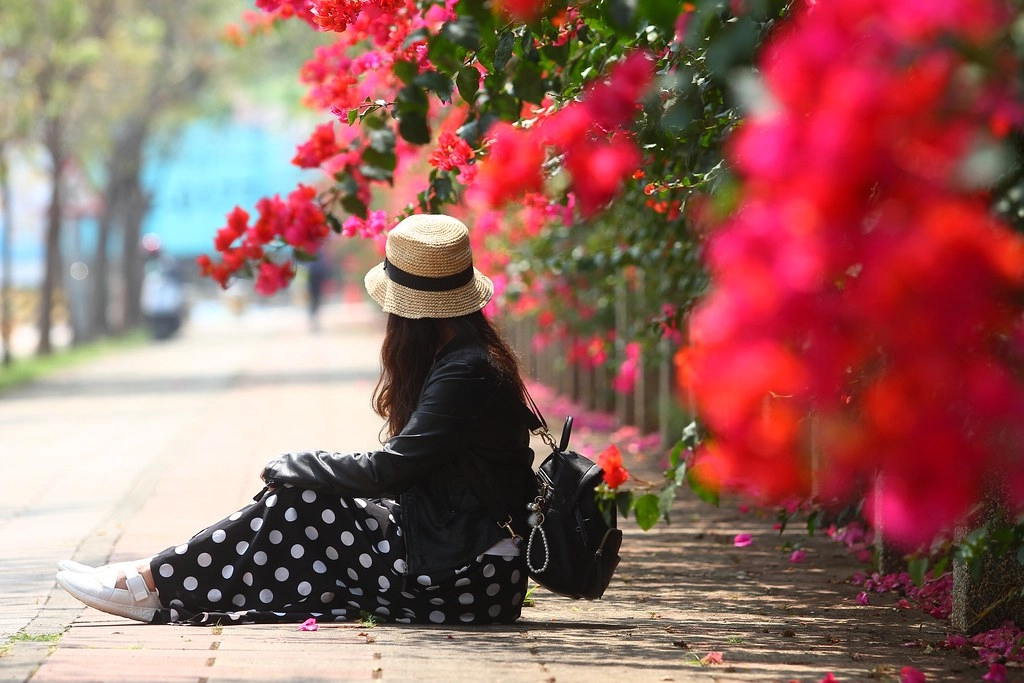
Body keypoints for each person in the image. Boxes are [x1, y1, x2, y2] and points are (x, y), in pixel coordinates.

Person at [56, 213, 540, 626]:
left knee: (301, 501)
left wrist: (299, 462)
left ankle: (154, 584)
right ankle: (157, 579)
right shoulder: (465, 358)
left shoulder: (467, 372)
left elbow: (391, 470)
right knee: (304, 506)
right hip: (460, 560)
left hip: (468, 581)